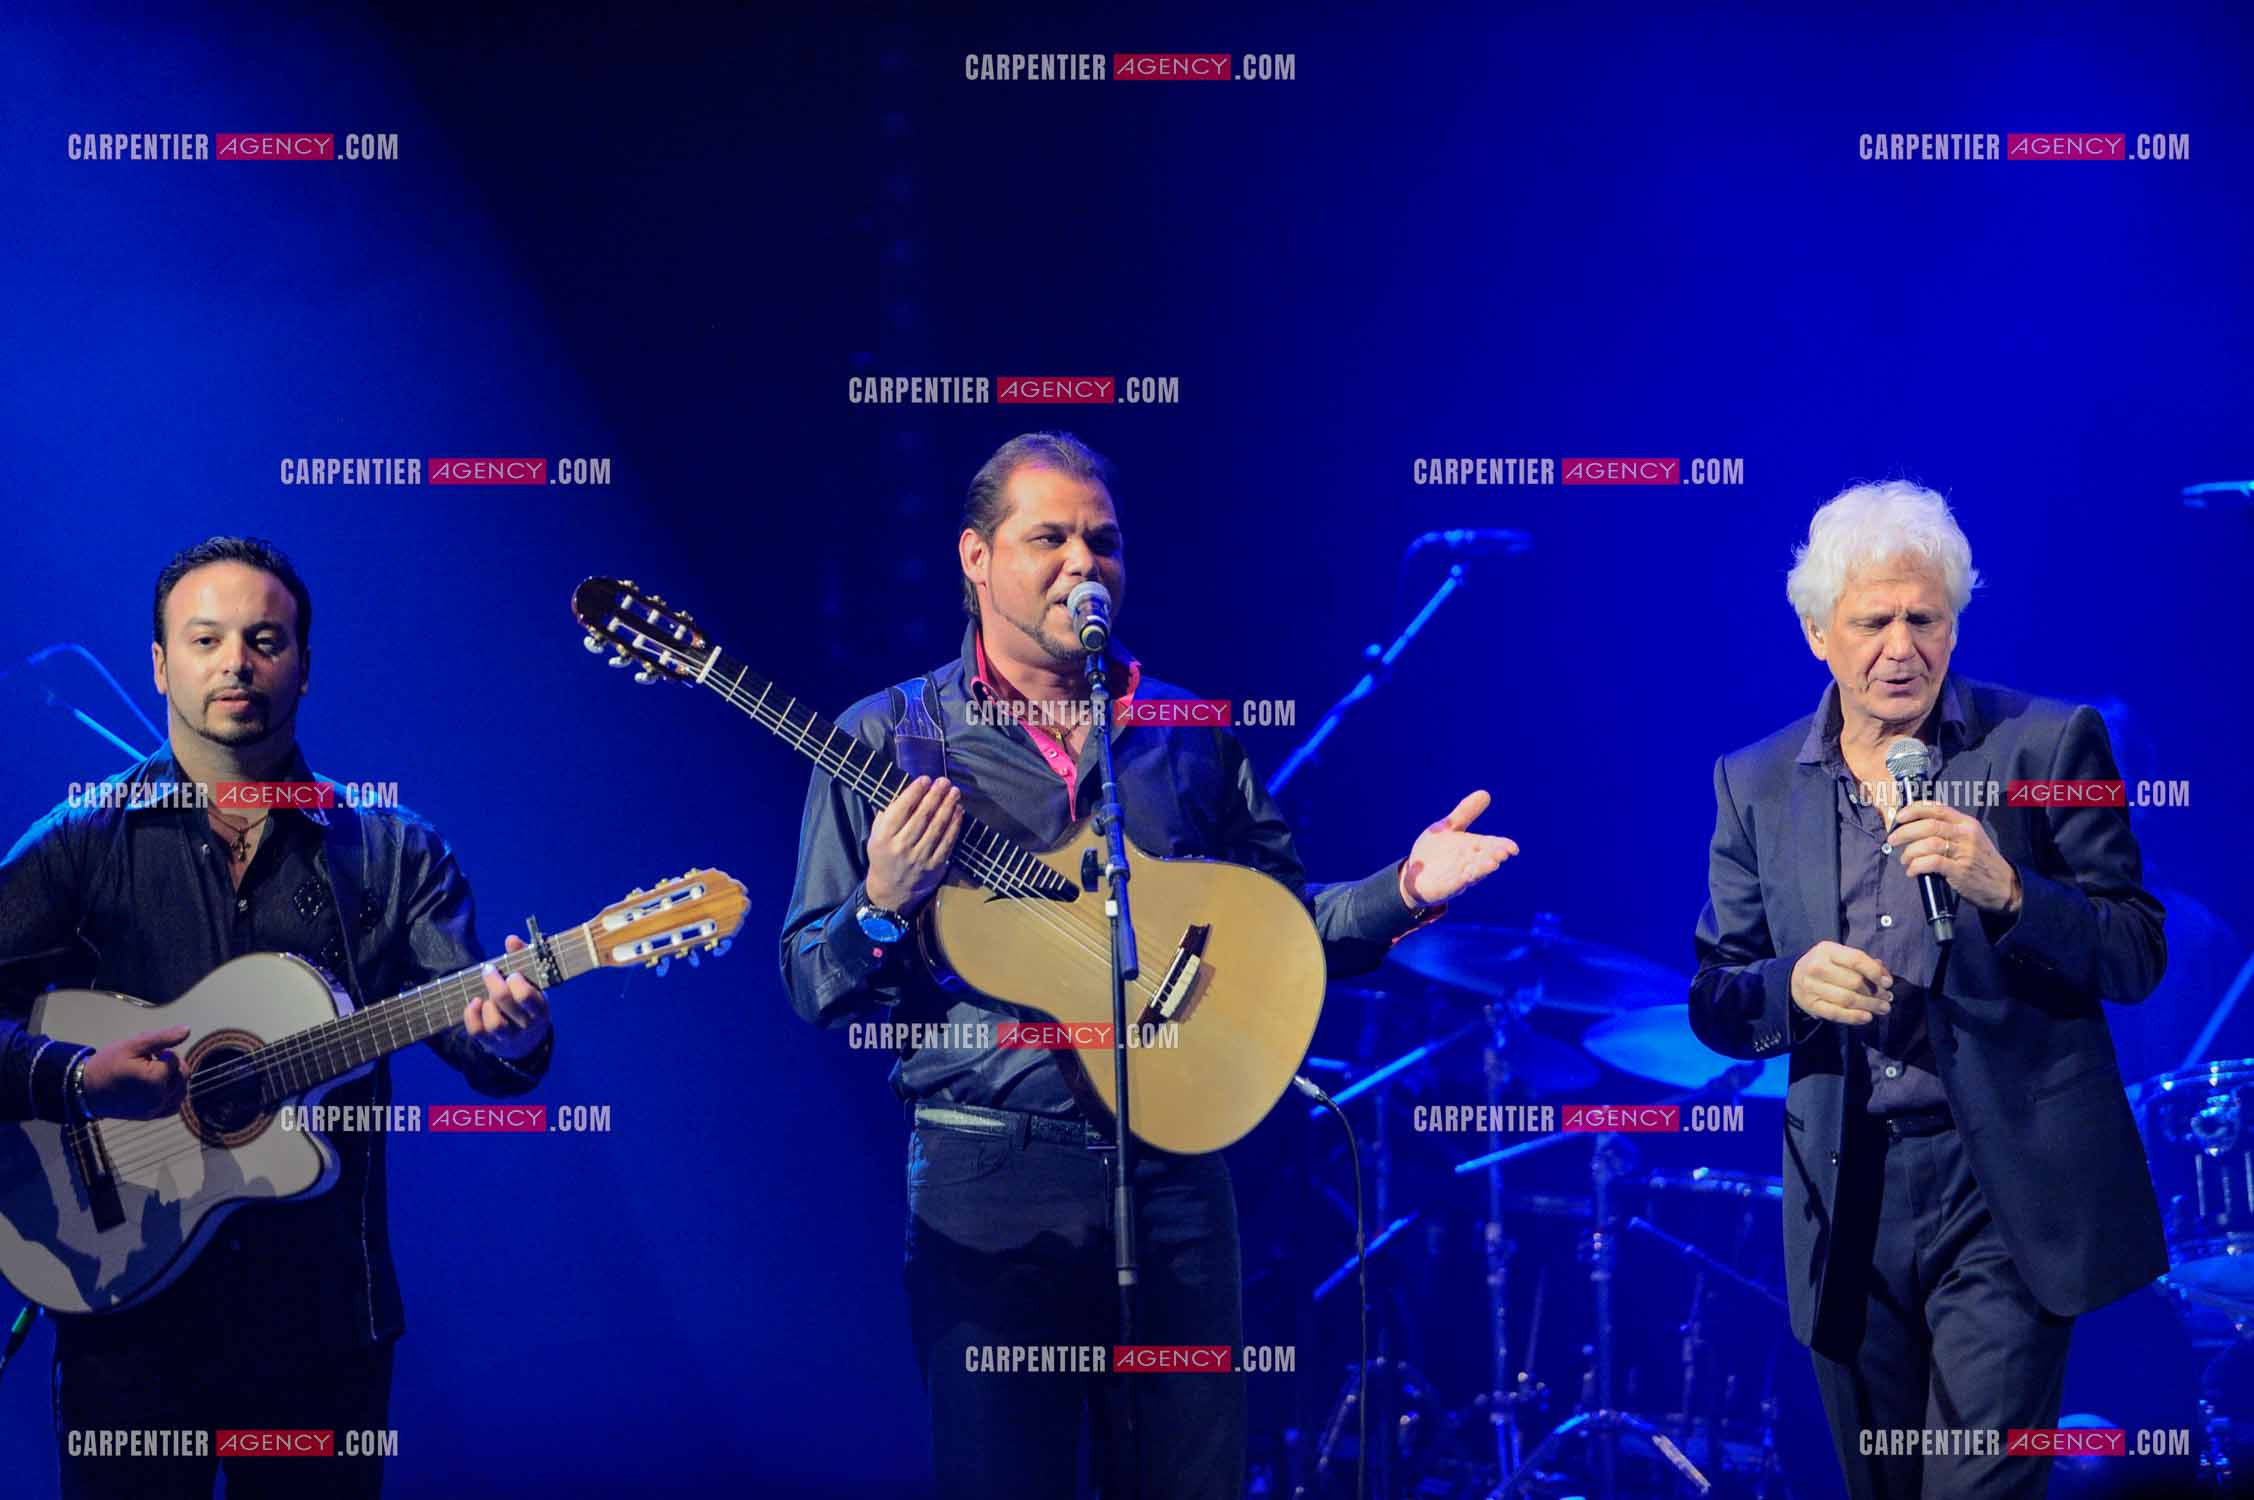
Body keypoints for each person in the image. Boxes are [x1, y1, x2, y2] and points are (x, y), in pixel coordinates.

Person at [780, 432, 1520, 1498]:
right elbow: (812, 979)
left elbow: (1280, 928)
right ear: (975, 557)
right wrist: (882, 905)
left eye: (1103, 541)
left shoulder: (1185, 731)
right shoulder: (887, 737)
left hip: (1174, 1181)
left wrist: (1399, 889)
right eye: (1051, 538)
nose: (1085, 563)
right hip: (989, 1180)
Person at [0, 536, 556, 1498]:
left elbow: (473, 1026)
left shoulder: (389, 850)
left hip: (321, 1320)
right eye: (206, 639)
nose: (236, 664)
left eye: (265, 639)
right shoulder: (78, 843)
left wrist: (516, 1033)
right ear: (161, 665)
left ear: (305, 664)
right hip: (122, 1304)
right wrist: (78, 1079)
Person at [1688, 481, 2167, 1499]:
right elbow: (1716, 999)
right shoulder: (1756, 782)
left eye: (1924, 619)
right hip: (1847, 1188)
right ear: (1818, 633)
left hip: (2003, 1187)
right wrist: (1790, 985)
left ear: (1953, 626)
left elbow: (2133, 952)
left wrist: (2007, 890)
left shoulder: (2045, 745)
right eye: (1871, 623)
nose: (1898, 648)